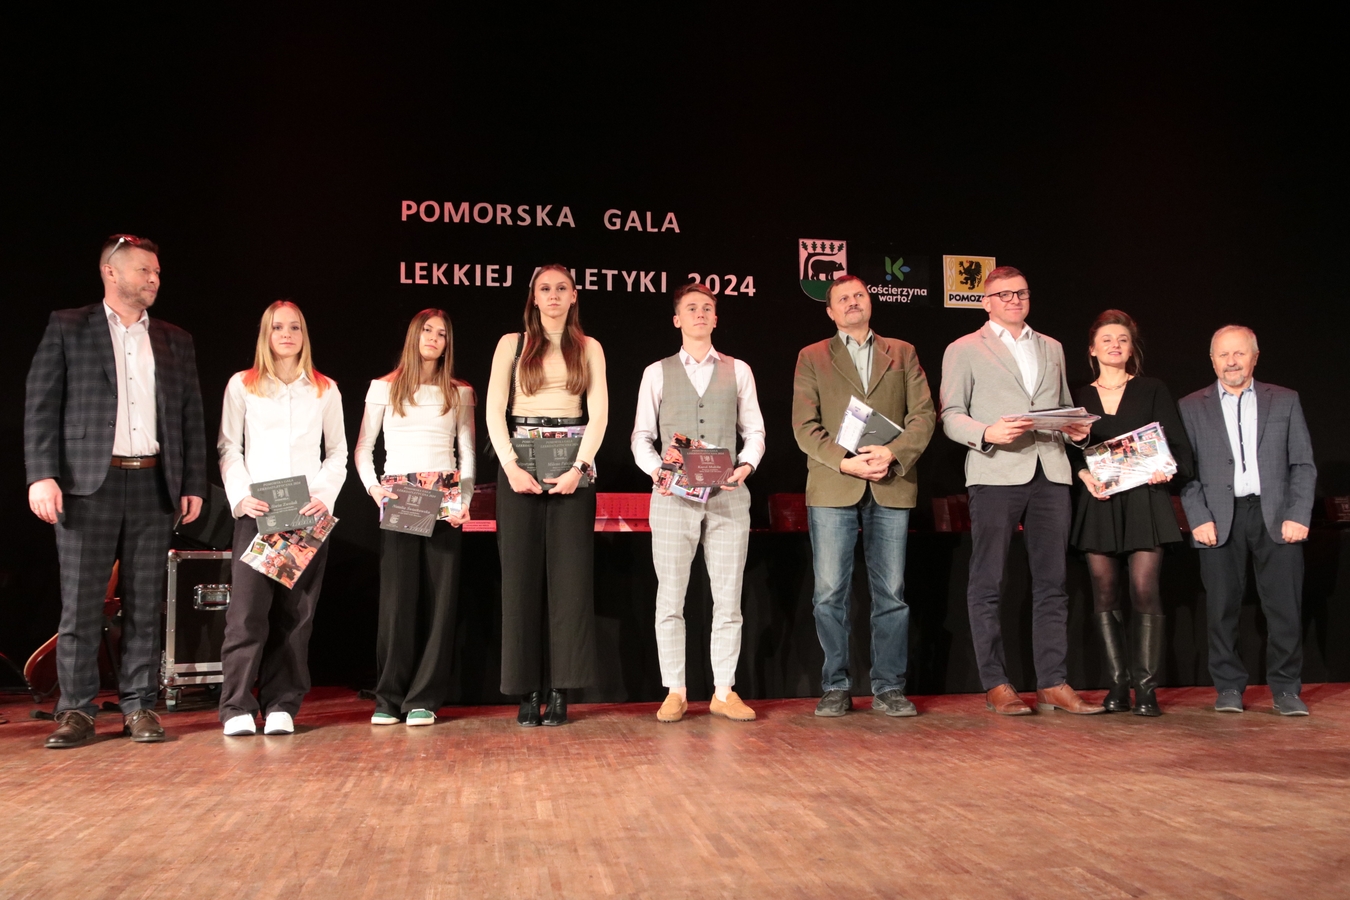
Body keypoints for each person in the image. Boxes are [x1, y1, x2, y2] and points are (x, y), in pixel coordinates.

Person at [24, 234, 207, 748]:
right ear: (111, 271)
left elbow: (190, 415)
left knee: (146, 603)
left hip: (153, 482)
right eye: (144, 270)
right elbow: (41, 404)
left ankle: (139, 705)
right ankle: (76, 710)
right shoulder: (69, 326)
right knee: (82, 603)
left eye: (157, 272)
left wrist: (192, 482)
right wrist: (41, 474)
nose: (154, 279)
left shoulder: (174, 339)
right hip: (87, 483)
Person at [939, 266, 1104, 716]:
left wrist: (1075, 430)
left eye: (1021, 293)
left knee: (1053, 582)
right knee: (988, 580)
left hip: (1050, 471)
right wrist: (986, 432)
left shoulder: (1051, 346)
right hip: (995, 471)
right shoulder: (964, 348)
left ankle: (1052, 682)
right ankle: (996, 683)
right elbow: (951, 414)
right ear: (986, 301)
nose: (1014, 300)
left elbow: (1063, 407)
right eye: (1004, 294)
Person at [791, 274, 935, 717]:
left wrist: (894, 452)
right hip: (835, 484)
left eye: (859, 295)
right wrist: (845, 462)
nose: (852, 302)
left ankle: (889, 686)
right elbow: (804, 426)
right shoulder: (812, 356)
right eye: (843, 299)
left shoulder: (903, 352)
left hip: (891, 482)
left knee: (891, 592)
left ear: (870, 303)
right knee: (828, 593)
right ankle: (835, 685)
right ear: (830, 311)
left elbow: (924, 415)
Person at [631, 283, 766, 723]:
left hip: (728, 497)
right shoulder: (657, 372)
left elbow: (755, 431)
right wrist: (657, 470)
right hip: (673, 498)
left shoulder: (738, 370)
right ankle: (675, 690)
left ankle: (724, 690)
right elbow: (641, 436)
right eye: (691, 308)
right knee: (670, 596)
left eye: (707, 307)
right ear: (677, 319)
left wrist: (746, 465)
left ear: (716, 318)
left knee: (728, 598)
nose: (700, 314)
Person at [217, 301, 347, 736]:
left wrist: (323, 495)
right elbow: (229, 447)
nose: (286, 334)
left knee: (296, 617)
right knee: (247, 614)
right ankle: (236, 706)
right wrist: (242, 497)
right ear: (266, 335)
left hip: (306, 516)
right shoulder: (243, 385)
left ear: (304, 335)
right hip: (258, 514)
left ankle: (282, 705)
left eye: (294, 327)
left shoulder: (325, 389)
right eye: (277, 327)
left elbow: (338, 453)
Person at [486, 265, 608, 726]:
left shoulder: (589, 347)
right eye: (545, 289)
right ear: (533, 297)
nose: (553, 295)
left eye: (561, 288)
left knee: (571, 583)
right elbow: (495, 410)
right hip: (519, 468)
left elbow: (599, 414)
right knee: (519, 581)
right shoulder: (511, 344)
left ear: (574, 296)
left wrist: (580, 468)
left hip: (572, 470)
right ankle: (527, 690)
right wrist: (510, 467)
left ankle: (560, 690)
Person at [1178, 325, 1316, 715]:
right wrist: (1198, 517)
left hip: (1277, 515)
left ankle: (1286, 690)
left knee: (1284, 608)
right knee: (1221, 609)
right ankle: (1228, 688)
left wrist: (1297, 513)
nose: (1232, 361)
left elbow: (1303, 464)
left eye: (1239, 353)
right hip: (1218, 519)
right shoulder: (1190, 406)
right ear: (1212, 360)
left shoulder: (1285, 400)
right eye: (1223, 354)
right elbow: (1185, 472)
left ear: (1255, 357)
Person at [1068, 310, 1193, 716]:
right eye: (1106, 339)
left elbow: (1178, 448)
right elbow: (1066, 453)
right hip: (1099, 502)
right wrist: (1083, 475)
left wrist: (1166, 469)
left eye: (1122, 339)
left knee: (1144, 589)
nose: (1115, 345)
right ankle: (1118, 686)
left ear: (1131, 347)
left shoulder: (1152, 388)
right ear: (1092, 349)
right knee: (1104, 593)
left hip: (1145, 501)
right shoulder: (1077, 397)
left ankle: (1147, 688)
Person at [355, 309, 476, 726]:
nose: (434, 338)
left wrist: (463, 500)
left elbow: (467, 451)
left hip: (443, 501)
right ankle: (389, 698)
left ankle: (424, 698)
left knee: (439, 604)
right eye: (427, 330)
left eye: (442, 333)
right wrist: (374, 488)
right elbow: (363, 447)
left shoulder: (459, 391)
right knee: (397, 602)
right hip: (402, 499)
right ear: (413, 335)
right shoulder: (383, 387)